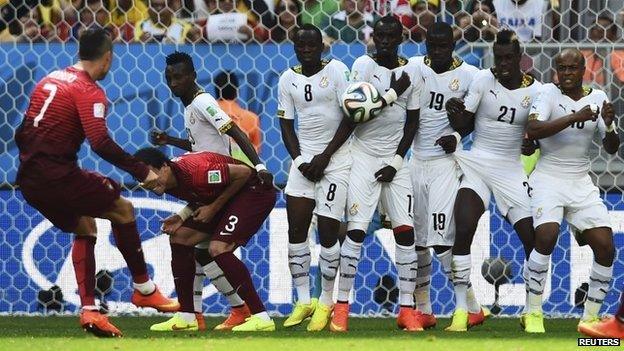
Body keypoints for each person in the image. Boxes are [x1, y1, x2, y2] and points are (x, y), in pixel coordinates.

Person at [14, 28, 179, 338]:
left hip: (28, 179)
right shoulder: (88, 90)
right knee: (123, 209)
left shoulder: (48, 80)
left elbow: (20, 132)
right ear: (107, 57)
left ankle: (89, 310)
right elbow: (100, 142)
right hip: (57, 175)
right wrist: (141, 171)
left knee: (86, 227)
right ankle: (144, 287)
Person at [150, 51, 272, 331]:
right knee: (183, 239)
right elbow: (200, 150)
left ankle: (257, 315)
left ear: (193, 76)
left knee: (216, 248)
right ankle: (190, 316)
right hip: (210, 184)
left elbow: (234, 132)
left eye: (179, 77)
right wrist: (169, 139)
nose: (173, 83)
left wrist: (261, 165)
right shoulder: (190, 107)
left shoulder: (204, 101)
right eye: (169, 78)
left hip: (230, 181)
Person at [442, 29, 541, 331]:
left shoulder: (536, 91)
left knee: (533, 239)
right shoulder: (483, 80)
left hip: (511, 169)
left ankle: (532, 311)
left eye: (509, 58)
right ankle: (462, 311)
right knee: (464, 226)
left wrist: (532, 144)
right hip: (478, 163)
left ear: (520, 56)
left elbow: (538, 135)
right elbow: (465, 124)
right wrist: (454, 115)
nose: (504, 64)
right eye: (499, 58)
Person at [329, 15, 421, 332]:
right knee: (355, 230)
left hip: (395, 160)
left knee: (406, 233)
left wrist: (397, 160)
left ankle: (407, 310)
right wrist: (392, 94)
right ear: (373, 37)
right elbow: (355, 112)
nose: (383, 41)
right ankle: (341, 308)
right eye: (378, 35)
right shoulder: (363, 66)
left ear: (400, 37)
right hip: (364, 155)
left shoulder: (414, 71)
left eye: (389, 36)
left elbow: (412, 122)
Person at [524, 48, 619, 333]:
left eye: (572, 69)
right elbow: (534, 129)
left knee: (605, 246)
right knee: (547, 236)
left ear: (583, 70)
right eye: (561, 68)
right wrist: (573, 117)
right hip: (548, 176)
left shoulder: (598, 97)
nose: (566, 74)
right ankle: (534, 312)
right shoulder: (548, 95)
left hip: (580, 181)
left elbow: (612, 147)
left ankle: (590, 318)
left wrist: (611, 124)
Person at [134, 148, 277, 331]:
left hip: (254, 192)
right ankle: (187, 316)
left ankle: (261, 318)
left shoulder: (197, 172)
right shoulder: (167, 181)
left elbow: (244, 173)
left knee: (218, 248)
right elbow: (204, 192)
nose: (146, 181)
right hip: (230, 197)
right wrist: (182, 216)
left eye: (148, 173)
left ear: (164, 167)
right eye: (141, 178)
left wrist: (214, 208)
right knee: (179, 237)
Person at [407, 21, 482, 331]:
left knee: (441, 243)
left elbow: (477, 119)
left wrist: (458, 130)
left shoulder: (469, 76)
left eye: (443, 46)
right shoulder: (412, 69)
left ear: (453, 45)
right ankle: (424, 309)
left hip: (445, 166)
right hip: (414, 163)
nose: (437, 51)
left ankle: (469, 307)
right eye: (432, 45)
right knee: (417, 242)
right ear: (425, 44)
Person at [276, 24, 351, 331]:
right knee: (296, 233)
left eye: (311, 45)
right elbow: (286, 126)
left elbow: (352, 117)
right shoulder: (287, 78)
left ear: (322, 46)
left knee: (330, 235)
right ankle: (304, 300)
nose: (306, 50)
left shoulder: (337, 71)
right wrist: (300, 160)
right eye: (300, 45)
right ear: (295, 48)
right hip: (304, 163)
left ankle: (326, 302)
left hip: (335, 162)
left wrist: (325, 157)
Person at [214, 70, 262, 166]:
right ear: (237, 91)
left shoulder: (207, 114)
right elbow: (256, 152)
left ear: (216, 90)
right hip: (243, 172)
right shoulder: (251, 118)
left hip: (213, 168)